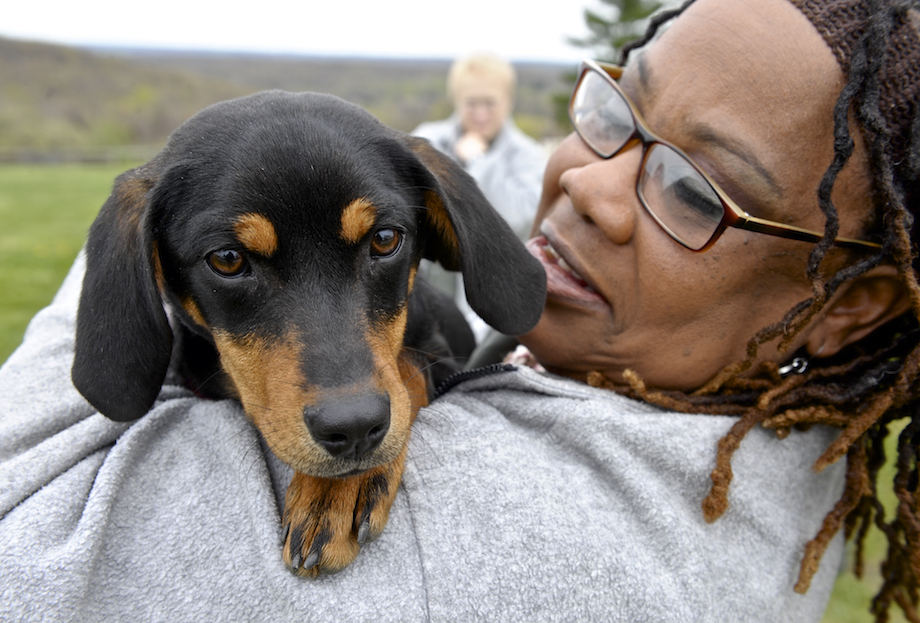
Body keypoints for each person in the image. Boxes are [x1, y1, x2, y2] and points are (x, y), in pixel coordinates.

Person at [1, 1, 918, 621]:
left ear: (844, 307)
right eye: (615, 109)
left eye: (692, 190)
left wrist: (168, 216)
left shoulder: (507, 549)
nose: (595, 184)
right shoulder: (691, 416)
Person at [414, 53, 549, 341]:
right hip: (426, 299)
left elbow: (518, 218)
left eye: (490, 103)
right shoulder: (428, 140)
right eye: (471, 104)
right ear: (457, 101)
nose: (481, 114)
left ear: (507, 101)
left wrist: (478, 162)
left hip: (494, 310)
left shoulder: (529, 156)